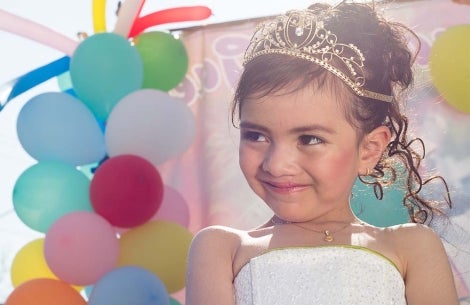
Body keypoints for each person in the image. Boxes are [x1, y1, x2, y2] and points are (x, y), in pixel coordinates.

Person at [185, 2, 459, 305]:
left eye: (309, 139)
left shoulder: (411, 247)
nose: (277, 164)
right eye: (257, 135)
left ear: (369, 150)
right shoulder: (223, 249)